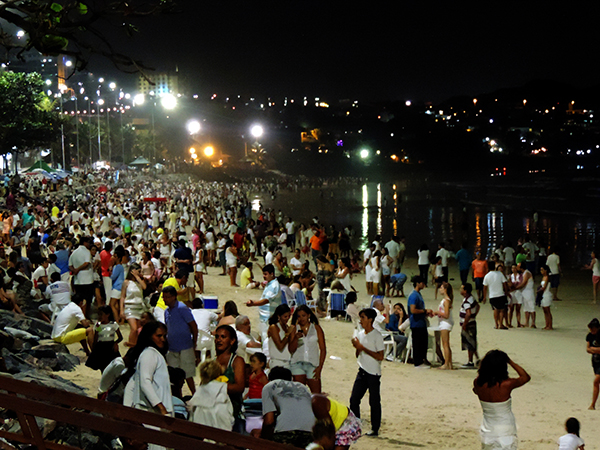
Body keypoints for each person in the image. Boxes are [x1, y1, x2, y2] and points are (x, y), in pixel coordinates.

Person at [473, 350, 530, 450]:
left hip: (487, 430)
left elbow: (476, 390)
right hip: (505, 429)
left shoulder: (478, 383)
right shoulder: (506, 384)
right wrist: (510, 361)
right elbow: (525, 377)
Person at [123, 321, 173, 422]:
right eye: (159, 336)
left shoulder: (153, 354)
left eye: (164, 336)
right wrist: (161, 408)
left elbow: (132, 383)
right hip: (151, 412)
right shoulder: (149, 354)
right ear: (149, 336)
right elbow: (145, 382)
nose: (162, 339)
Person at [261, 366, 316, 447]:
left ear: (270, 379)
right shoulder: (302, 387)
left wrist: (262, 441)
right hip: (311, 431)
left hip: (285, 432)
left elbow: (269, 421)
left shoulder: (269, 386)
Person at [349, 308, 384, 436]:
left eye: (363, 318)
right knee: (354, 399)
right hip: (362, 370)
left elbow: (380, 356)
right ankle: (356, 425)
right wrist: (357, 348)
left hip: (373, 373)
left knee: (374, 401)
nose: (361, 320)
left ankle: (375, 428)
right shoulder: (360, 334)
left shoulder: (377, 336)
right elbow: (358, 354)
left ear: (370, 319)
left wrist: (362, 348)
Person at [162, 285, 198, 395]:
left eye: (167, 297)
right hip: (172, 347)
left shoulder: (182, 308)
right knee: (174, 376)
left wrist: (194, 343)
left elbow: (193, 326)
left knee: (188, 374)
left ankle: (194, 394)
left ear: (174, 297)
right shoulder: (166, 312)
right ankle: (178, 396)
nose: (165, 299)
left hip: (185, 346)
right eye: (164, 297)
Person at [214, 324, 246, 432]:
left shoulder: (237, 361)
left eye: (223, 337)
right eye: (217, 337)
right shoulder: (212, 362)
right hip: (213, 414)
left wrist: (217, 387)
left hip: (232, 413)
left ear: (232, 341)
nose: (219, 340)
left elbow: (239, 387)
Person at [188, 359, 234, 431]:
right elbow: (227, 418)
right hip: (219, 435)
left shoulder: (197, 395)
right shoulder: (221, 393)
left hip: (200, 434)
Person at [289, 305, 327, 393]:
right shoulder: (294, 329)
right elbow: (291, 349)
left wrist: (320, 367)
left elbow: (323, 349)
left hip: (312, 364)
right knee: (298, 395)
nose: (301, 318)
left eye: (303, 315)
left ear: (308, 315)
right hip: (297, 363)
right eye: (299, 316)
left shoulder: (316, 329)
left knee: (316, 395)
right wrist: (295, 338)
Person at [246, 264, 282, 342]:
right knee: (263, 336)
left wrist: (253, 304)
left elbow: (266, 300)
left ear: (272, 274)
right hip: (264, 316)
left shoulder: (274, 285)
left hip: (269, 316)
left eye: (265, 274)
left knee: (266, 338)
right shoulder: (270, 283)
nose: (263, 276)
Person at [86, 305, 123, 371]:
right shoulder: (98, 325)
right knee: (102, 365)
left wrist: (115, 343)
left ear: (107, 315)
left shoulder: (113, 324)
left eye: (101, 314)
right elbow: (96, 336)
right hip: (100, 346)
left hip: (110, 346)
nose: (99, 316)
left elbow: (120, 337)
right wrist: (94, 348)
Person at [407, 275, 432, 368]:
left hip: (421, 322)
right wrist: (425, 311)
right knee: (418, 343)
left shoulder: (418, 295)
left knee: (423, 342)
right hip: (416, 323)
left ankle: (421, 359)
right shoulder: (413, 295)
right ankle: (417, 362)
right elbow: (413, 310)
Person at [120, 263, 147, 347]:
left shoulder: (139, 282)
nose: (140, 273)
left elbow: (144, 287)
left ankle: (136, 346)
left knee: (139, 330)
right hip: (130, 308)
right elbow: (122, 296)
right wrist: (121, 310)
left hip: (139, 307)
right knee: (134, 329)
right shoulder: (126, 282)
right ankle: (131, 346)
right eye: (138, 271)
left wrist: (138, 277)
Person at [68, 236, 95, 318]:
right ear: (84, 243)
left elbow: (70, 265)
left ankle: (78, 316)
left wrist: (75, 270)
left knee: (79, 299)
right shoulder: (86, 252)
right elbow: (86, 263)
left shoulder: (74, 252)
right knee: (87, 300)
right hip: (87, 280)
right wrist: (78, 269)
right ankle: (85, 316)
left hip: (77, 280)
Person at [432, 282, 454, 370]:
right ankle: (450, 363)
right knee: (446, 344)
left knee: (445, 344)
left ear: (445, 289)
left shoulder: (446, 300)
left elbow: (446, 314)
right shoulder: (446, 300)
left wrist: (438, 312)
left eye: (441, 288)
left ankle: (446, 363)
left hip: (445, 323)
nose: (440, 289)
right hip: (444, 322)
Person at [459, 283, 480, 368]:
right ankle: (476, 358)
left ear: (465, 290)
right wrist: (474, 315)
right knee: (472, 341)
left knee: (469, 342)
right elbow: (478, 306)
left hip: (468, 324)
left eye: (462, 289)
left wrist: (465, 323)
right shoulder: (472, 298)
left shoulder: (467, 301)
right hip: (472, 322)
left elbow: (468, 313)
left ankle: (470, 361)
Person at [483, 262, 508, 330]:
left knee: (495, 309)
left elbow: (485, 287)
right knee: (502, 310)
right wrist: (506, 292)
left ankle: (496, 324)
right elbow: (505, 284)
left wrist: (484, 297)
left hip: (492, 295)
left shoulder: (487, 276)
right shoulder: (500, 274)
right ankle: (500, 323)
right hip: (500, 294)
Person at [268, 304, 293, 369]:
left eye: (289, 316)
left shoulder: (287, 327)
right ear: (279, 316)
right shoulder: (274, 327)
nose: (287, 318)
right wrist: (287, 334)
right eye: (285, 316)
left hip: (287, 362)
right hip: (277, 362)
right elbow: (280, 346)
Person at [586, 318, 600, 410]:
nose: (592, 331)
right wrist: (596, 350)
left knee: (596, 381)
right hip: (595, 361)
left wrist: (593, 349)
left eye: (593, 329)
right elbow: (587, 349)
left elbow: (591, 348)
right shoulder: (590, 336)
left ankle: (593, 404)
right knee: (597, 382)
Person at [517, 262, 536, 328]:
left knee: (531, 307)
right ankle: (527, 322)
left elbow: (523, 283)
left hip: (528, 291)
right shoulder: (523, 273)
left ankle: (533, 322)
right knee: (526, 307)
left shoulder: (527, 273)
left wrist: (516, 287)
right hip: (524, 292)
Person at [538, 264, 553, 330]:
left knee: (547, 310)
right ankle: (547, 324)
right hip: (543, 294)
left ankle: (550, 325)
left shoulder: (547, 277)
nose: (541, 271)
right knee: (545, 311)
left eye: (542, 270)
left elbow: (544, 287)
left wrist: (539, 290)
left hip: (546, 294)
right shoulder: (543, 277)